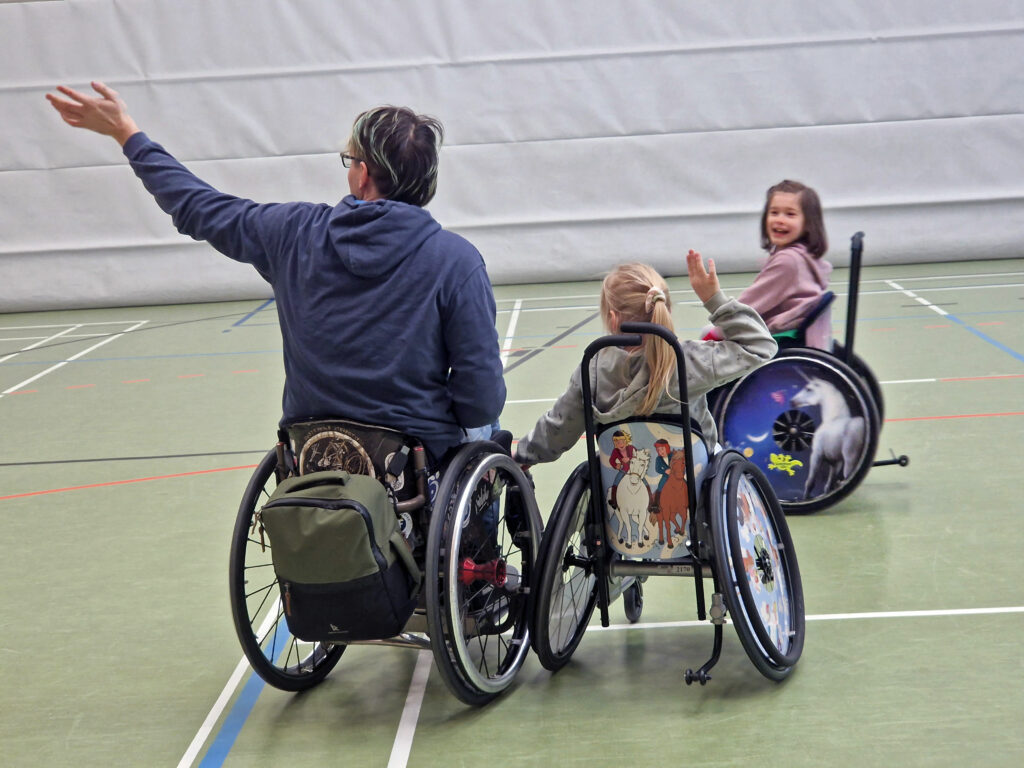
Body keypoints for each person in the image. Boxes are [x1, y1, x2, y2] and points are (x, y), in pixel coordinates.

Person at [46, 82, 505, 463]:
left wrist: (128, 133)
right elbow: (478, 398)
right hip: (415, 464)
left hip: (313, 453)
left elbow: (196, 206)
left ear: (363, 176)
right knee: (489, 424)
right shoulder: (457, 261)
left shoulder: (293, 234)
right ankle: (481, 562)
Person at [514, 250, 776, 466]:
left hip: (619, 488)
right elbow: (760, 345)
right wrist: (714, 300)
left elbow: (558, 430)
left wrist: (523, 456)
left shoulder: (592, 370)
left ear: (613, 319)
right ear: (666, 310)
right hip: (695, 483)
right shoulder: (689, 361)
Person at [736, 179, 833, 350]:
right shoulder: (804, 257)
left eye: (790, 214)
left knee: (710, 339)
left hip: (777, 339)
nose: (780, 220)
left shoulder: (788, 262)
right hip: (790, 332)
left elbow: (748, 306)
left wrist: (720, 322)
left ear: (808, 224)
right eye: (774, 212)